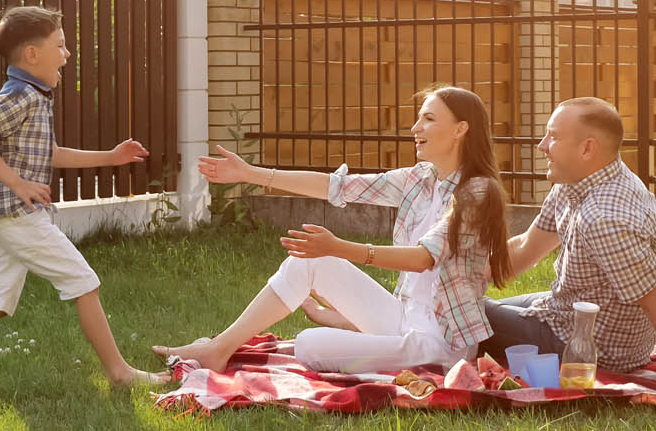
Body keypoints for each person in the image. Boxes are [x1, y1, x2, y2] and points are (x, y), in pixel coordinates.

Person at [152, 86, 513, 374]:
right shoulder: (421, 178)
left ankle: (347, 341)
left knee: (310, 344)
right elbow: (338, 186)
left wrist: (340, 246)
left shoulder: (478, 191)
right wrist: (251, 174)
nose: (415, 129)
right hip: (402, 318)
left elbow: (423, 259)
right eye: (418, 119)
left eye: (428, 119)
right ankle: (219, 348)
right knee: (310, 262)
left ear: (461, 129)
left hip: (440, 343)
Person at [0, 6, 165, 385]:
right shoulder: (19, 95)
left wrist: (112, 156)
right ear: (31, 54)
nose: (67, 54)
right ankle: (119, 373)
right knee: (83, 281)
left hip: (7, 214)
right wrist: (18, 185)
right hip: (14, 212)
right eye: (61, 45)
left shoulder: (36, 97)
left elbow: (50, 154)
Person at [480, 97, 656, 391]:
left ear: (587, 148)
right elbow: (528, 247)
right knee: (468, 308)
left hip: (596, 347)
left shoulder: (604, 218)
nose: (541, 146)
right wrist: (463, 277)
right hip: (565, 308)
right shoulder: (578, 180)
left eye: (553, 137)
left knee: (468, 314)